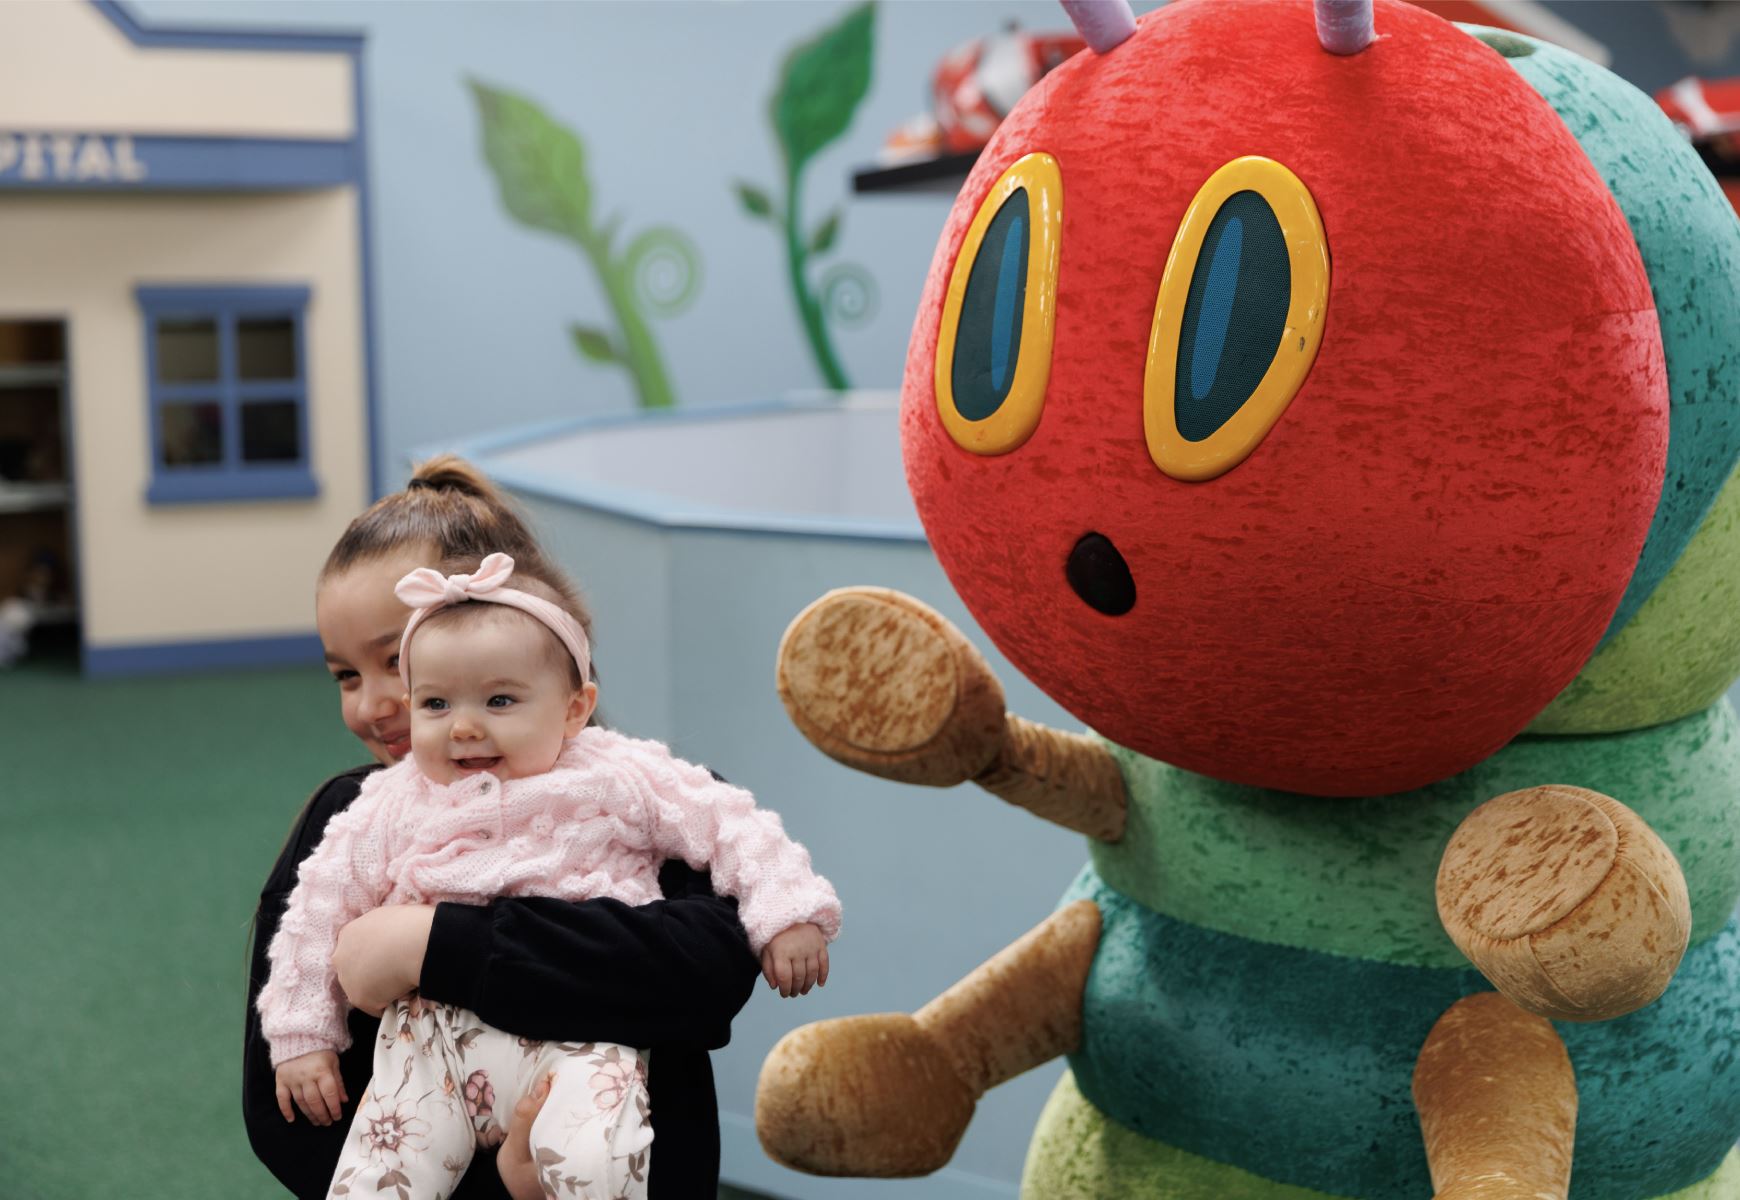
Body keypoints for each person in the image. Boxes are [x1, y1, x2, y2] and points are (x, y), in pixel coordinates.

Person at [243, 458, 764, 1199]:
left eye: (396, 657)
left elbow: (704, 973)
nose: (378, 703)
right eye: (345, 676)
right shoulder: (346, 821)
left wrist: (432, 943)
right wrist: (500, 1189)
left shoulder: (649, 799)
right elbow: (288, 1112)